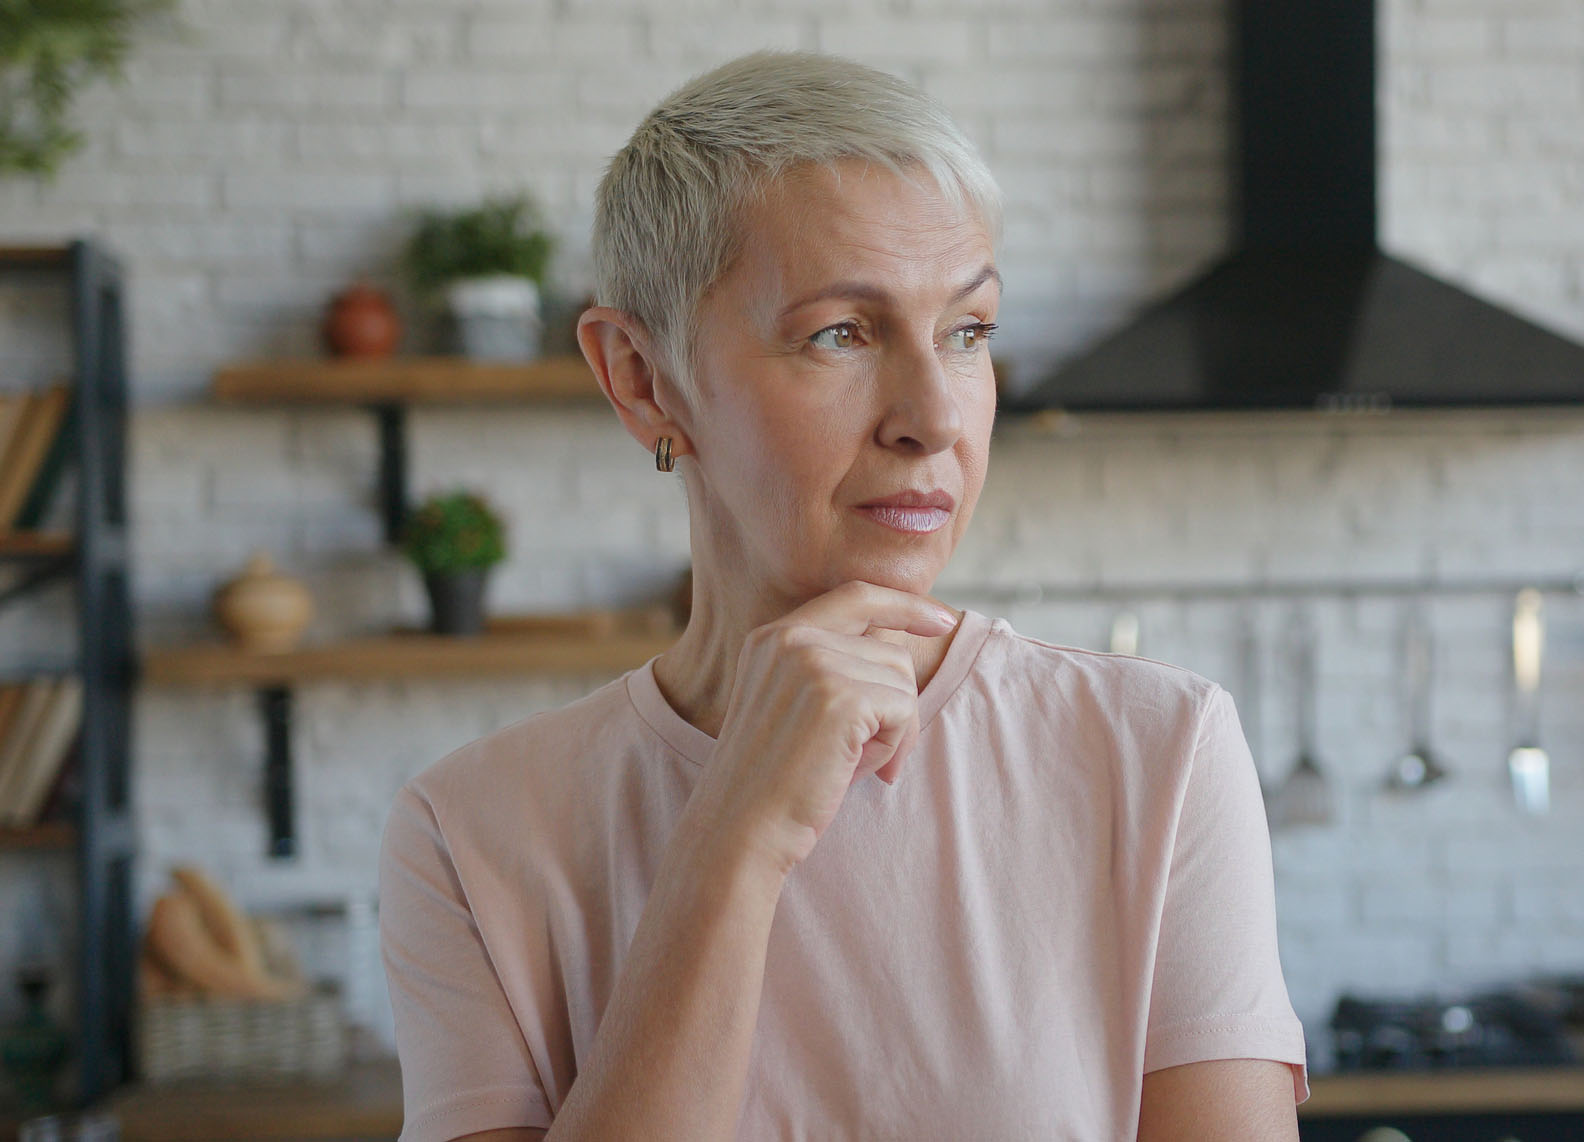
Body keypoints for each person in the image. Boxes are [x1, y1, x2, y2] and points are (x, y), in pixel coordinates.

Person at [378, 49, 1308, 1142]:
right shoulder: (472, 833)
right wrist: (734, 838)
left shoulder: (1157, 752)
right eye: (841, 333)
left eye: (967, 332)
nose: (934, 416)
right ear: (641, 378)